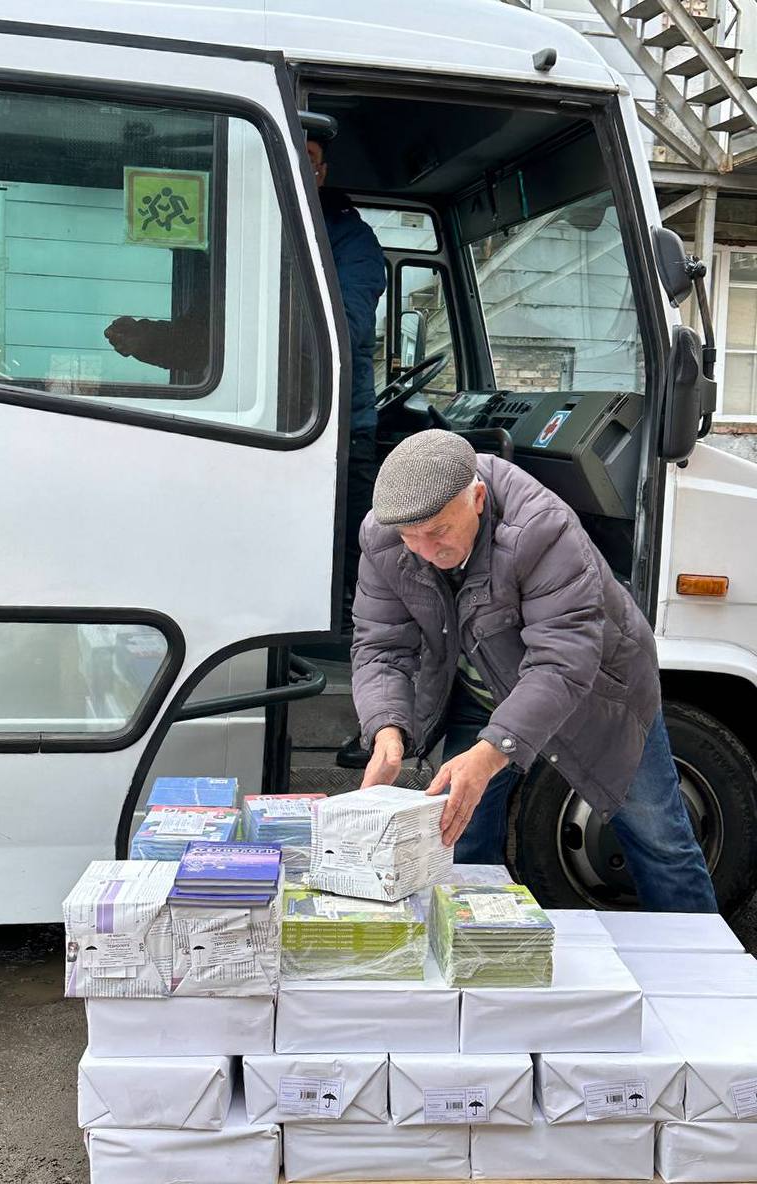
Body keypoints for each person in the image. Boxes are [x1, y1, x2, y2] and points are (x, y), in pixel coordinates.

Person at [351, 429, 717, 912]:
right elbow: (380, 645)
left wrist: (492, 753)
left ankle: (698, 954)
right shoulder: (383, 535)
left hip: (600, 693)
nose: (423, 551)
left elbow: (562, 661)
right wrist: (387, 730)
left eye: (438, 532)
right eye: (408, 538)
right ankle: (481, 946)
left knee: (659, 839)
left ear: (477, 499)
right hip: (483, 689)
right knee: (458, 832)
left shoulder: (540, 527)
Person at [306, 137, 386, 631]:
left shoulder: (352, 240)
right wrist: (156, 337)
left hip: (340, 423)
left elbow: (346, 326)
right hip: (275, 416)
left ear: (323, 171)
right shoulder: (256, 221)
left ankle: (354, 641)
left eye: (311, 158)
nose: (302, 165)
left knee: (353, 550)